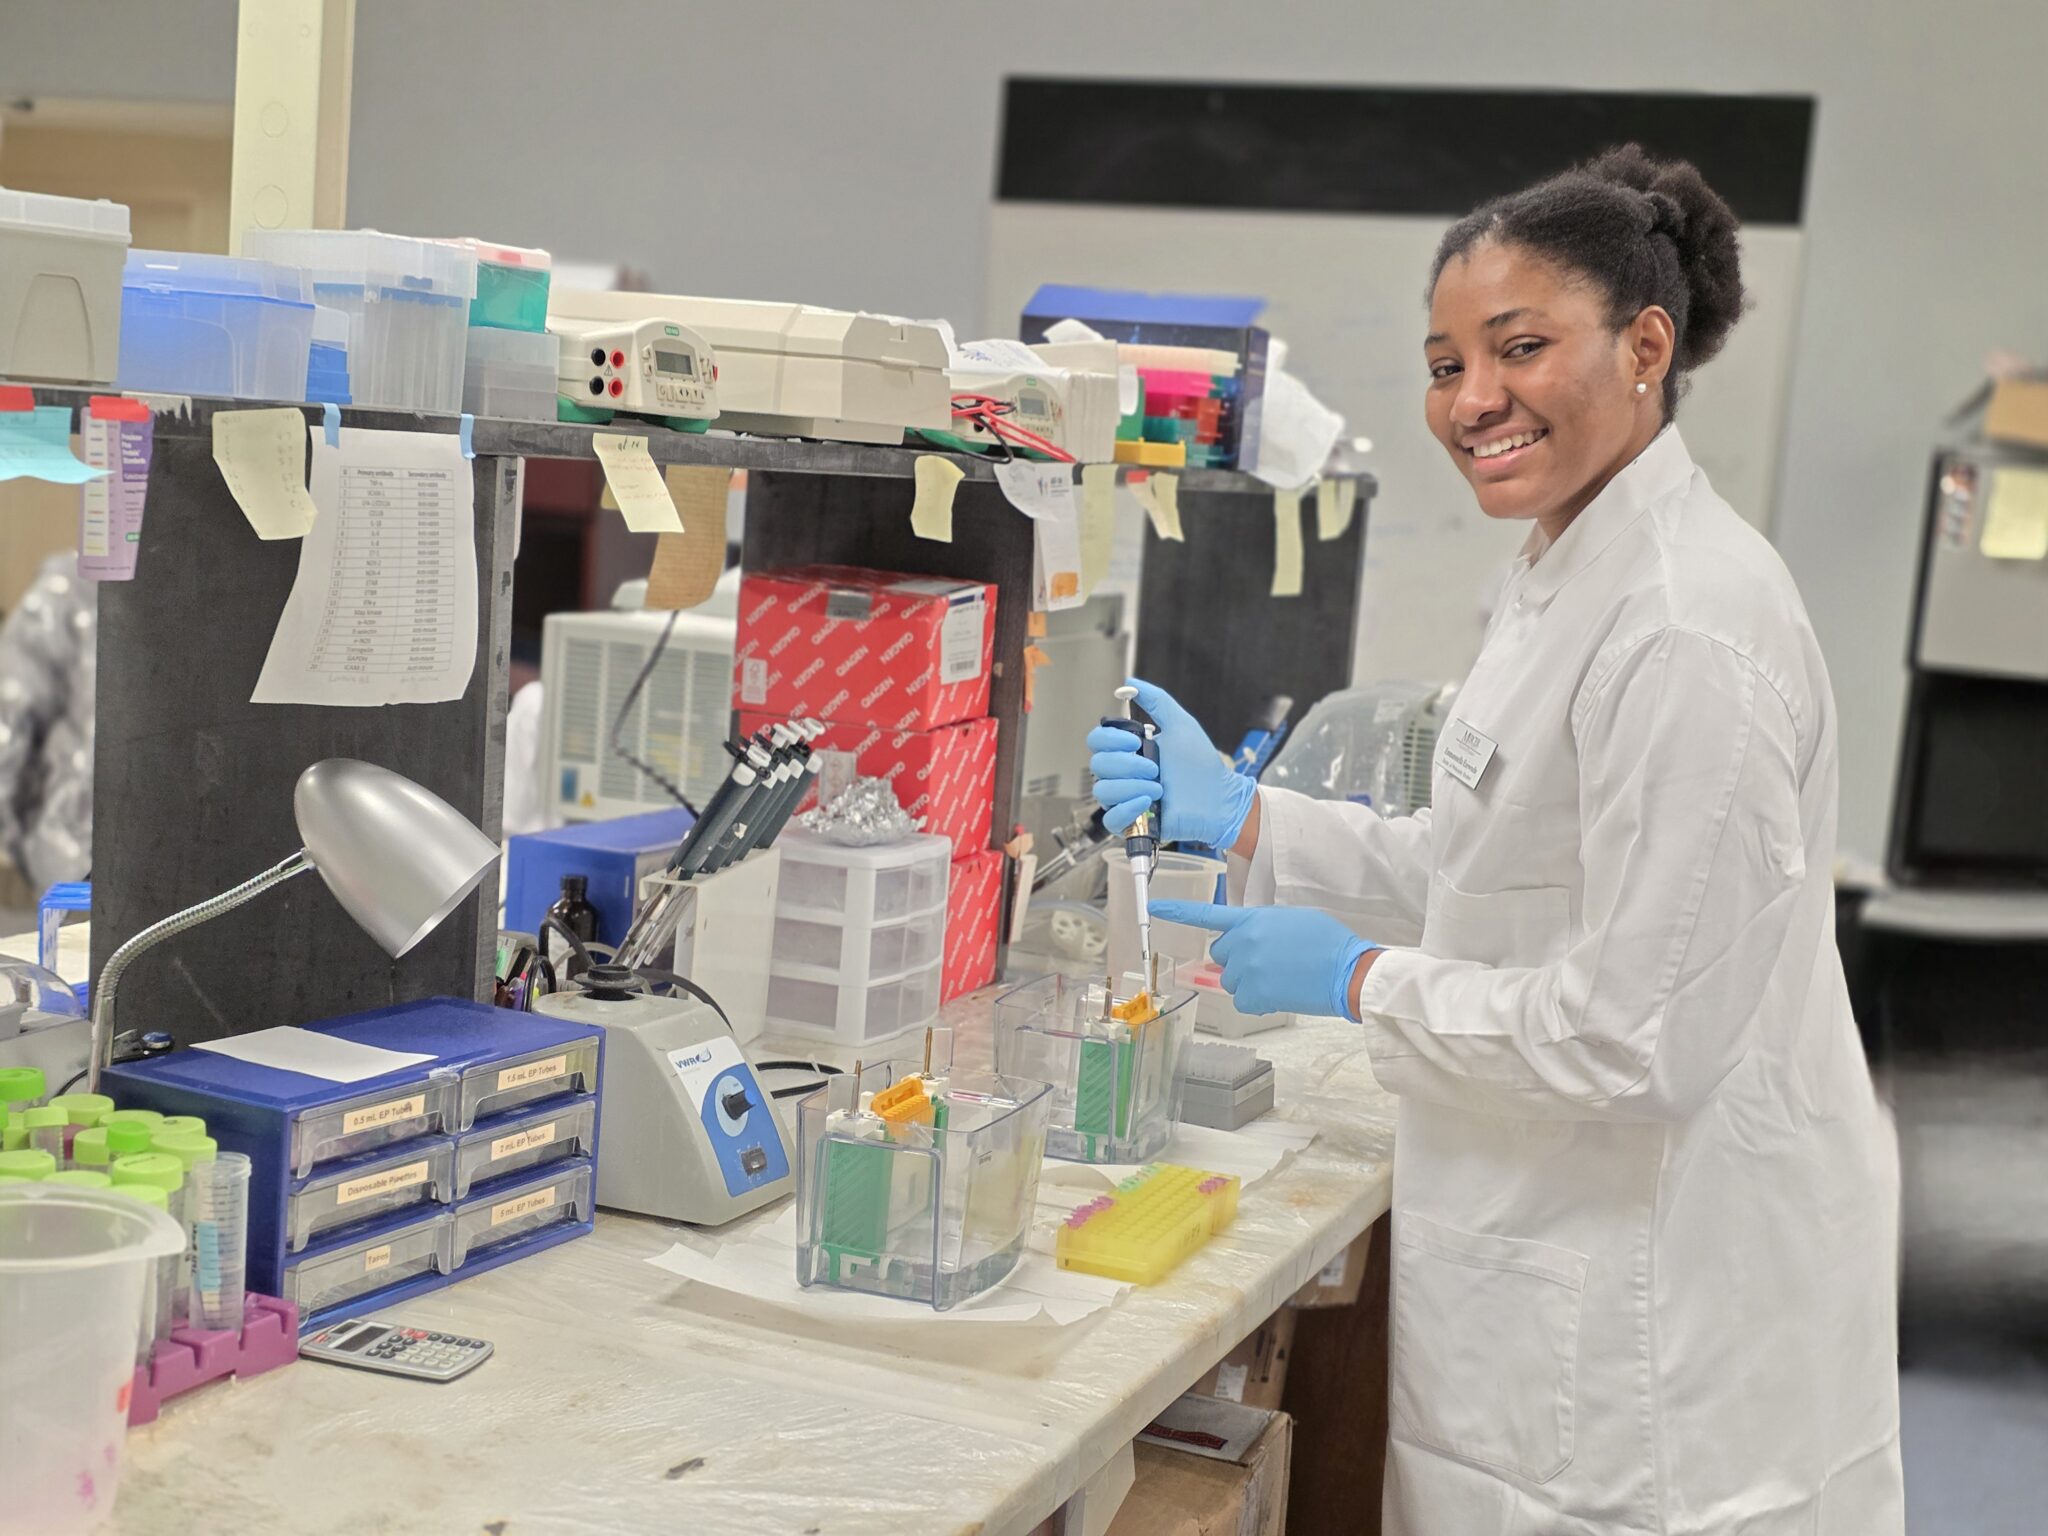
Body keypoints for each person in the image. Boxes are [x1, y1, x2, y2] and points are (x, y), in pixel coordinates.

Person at [1088, 145, 1904, 1534]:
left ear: (1648, 345)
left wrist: (1357, 983)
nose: (1472, 402)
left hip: (1664, 1343)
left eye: (1519, 348)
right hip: (1549, 1282)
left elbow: (1635, 1038)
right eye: (1445, 361)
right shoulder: (1556, 575)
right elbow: (1496, 873)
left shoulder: (1685, 628)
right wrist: (1258, 822)